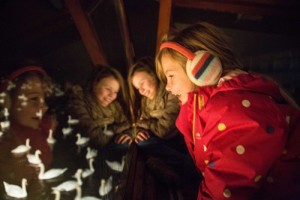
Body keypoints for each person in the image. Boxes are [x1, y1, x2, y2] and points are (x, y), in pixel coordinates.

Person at [155, 21, 300, 199]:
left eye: (170, 76)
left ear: (200, 68)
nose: (168, 87)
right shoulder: (205, 106)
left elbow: (226, 188)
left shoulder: (234, 109)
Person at [128, 56, 198, 188]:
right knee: (141, 142)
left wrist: (145, 123)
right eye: (137, 88)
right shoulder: (145, 102)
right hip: (162, 143)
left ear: (153, 75)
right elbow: (140, 123)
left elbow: (164, 130)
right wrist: (141, 132)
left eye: (142, 83)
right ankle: (179, 168)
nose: (141, 91)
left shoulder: (171, 93)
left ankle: (186, 166)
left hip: (178, 142)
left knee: (149, 151)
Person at [0, 65, 57, 174]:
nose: (45, 107)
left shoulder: (45, 132)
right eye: (34, 99)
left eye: (44, 99)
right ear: (8, 102)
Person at [66, 65, 132, 155]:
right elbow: (97, 139)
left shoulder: (114, 107)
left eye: (116, 92)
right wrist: (119, 129)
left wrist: (127, 135)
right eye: (108, 89)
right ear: (94, 84)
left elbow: (130, 126)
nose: (112, 95)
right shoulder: (79, 103)